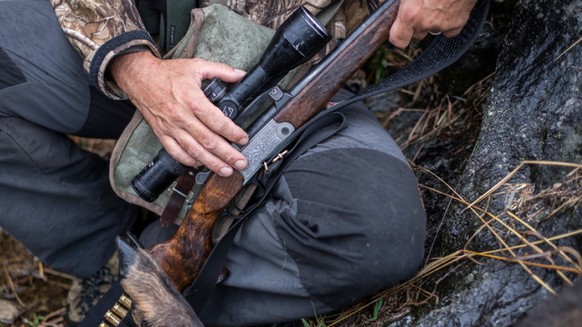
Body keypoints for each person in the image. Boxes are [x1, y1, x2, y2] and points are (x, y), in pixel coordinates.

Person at [0, 0, 477, 325]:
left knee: (379, 234)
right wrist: (134, 68)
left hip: (299, 83)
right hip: (121, 52)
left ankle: (176, 269)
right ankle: (105, 251)